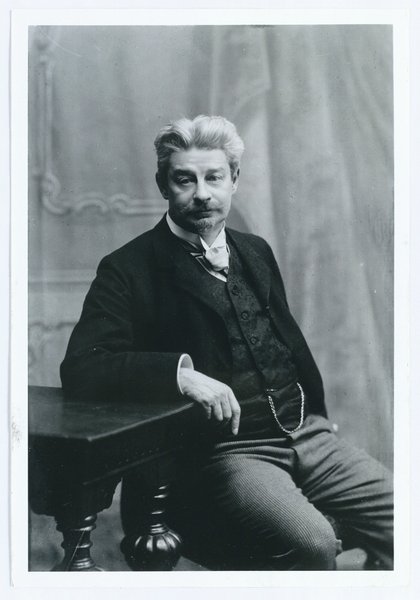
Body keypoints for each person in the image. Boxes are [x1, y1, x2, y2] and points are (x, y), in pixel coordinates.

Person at [61, 115, 393, 570]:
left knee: (401, 517)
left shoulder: (254, 250)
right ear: (163, 185)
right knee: (313, 542)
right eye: (185, 179)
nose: (202, 193)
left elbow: (284, 344)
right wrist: (180, 374)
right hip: (228, 451)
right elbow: (83, 365)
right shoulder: (128, 267)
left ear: (234, 180)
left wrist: (314, 418)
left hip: (305, 433)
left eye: (214, 177)